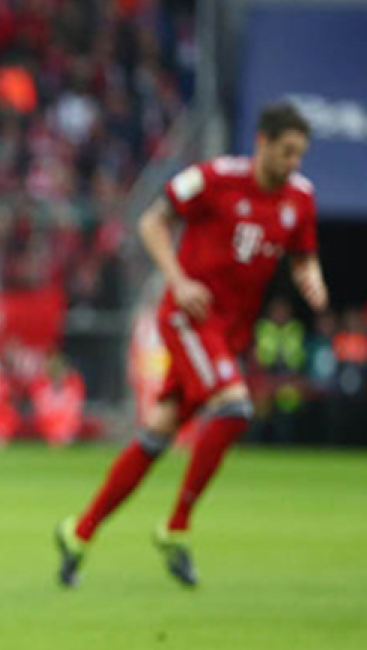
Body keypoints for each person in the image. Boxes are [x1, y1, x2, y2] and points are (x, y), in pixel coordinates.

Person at [54, 102, 327, 588]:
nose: (293, 163)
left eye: (299, 154)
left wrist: (313, 278)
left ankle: (79, 532)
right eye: (286, 152)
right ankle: (176, 527)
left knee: (157, 434)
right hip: (190, 319)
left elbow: (303, 256)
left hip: (230, 332)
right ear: (262, 143)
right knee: (235, 407)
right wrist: (177, 281)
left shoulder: (300, 198)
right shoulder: (213, 179)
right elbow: (151, 222)